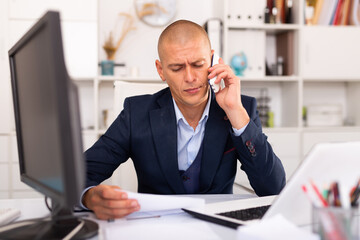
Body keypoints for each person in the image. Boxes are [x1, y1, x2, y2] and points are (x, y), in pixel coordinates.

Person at [81, 20, 286, 220]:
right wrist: (89, 197)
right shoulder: (136, 113)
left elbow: (274, 188)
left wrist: (236, 113)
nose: (190, 77)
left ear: (212, 61)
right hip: (155, 228)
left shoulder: (240, 108)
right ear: (161, 70)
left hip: (217, 229)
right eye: (177, 68)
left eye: (198, 64)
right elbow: (79, 175)